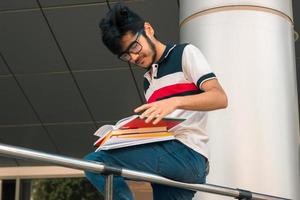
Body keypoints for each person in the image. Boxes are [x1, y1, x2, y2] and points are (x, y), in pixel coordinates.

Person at [84, 3, 228, 200]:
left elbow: (219, 97)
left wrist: (174, 102)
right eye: (126, 55)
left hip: (188, 154)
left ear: (148, 29)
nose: (134, 57)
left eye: (134, 46)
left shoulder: (184, 53)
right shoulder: (148, 80)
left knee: (95, 162)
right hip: (169, 157)